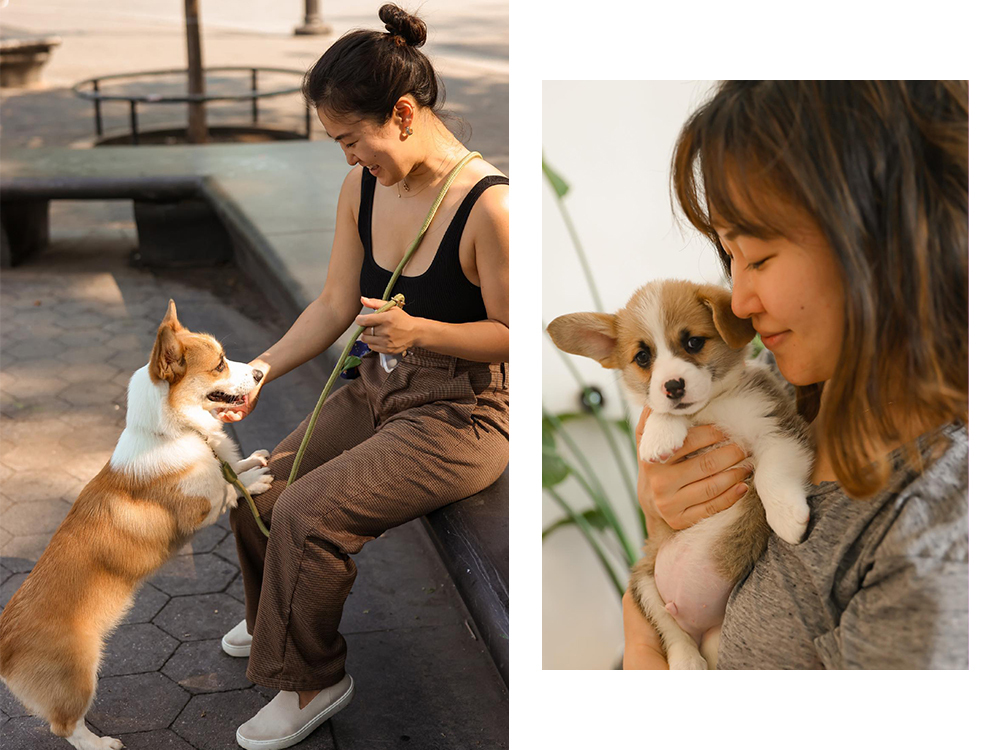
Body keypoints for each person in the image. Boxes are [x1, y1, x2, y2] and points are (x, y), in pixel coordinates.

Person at [215, 5, 509, 746]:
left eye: (351, 139)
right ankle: (276, 621)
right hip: (380, 385)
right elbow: (333, 304)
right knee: (255, 492)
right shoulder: (366, 189)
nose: (348, 158)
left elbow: (516, 339)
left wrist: (422, 332)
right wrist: (259, 369)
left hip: (461, 414)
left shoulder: (491, 209)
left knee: (307, 514)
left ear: (402, 114)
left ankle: (311, 679)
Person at [623, 80, 968, 670]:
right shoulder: (781, 382)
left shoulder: (932, 540)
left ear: (882, 242)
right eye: (729, 257)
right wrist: (659, 500)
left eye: (758, 256)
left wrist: (642, 652)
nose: (738, 301)